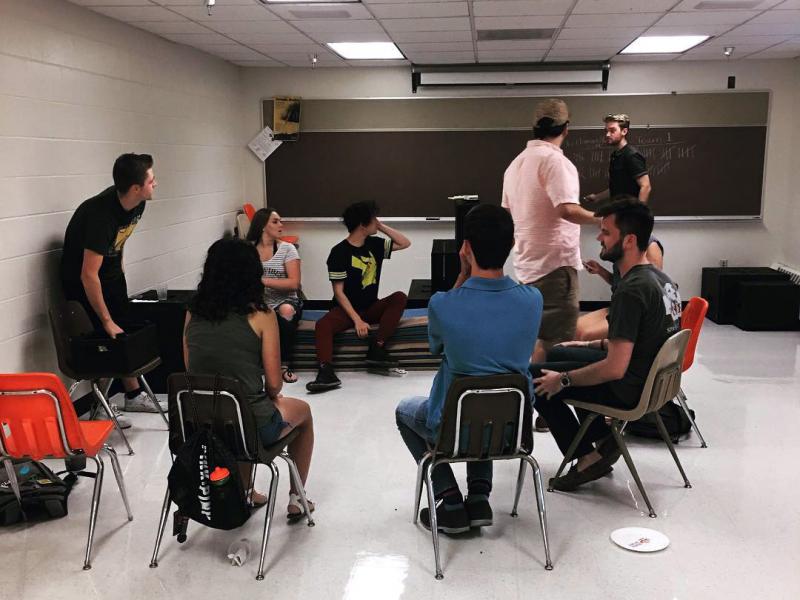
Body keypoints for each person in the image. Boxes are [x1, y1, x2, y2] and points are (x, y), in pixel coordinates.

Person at [395, 205, 542, 534]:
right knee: (488, 398)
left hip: (454, 429)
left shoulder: (443, 305)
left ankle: (450, 500)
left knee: (406, 411)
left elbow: (437, 348)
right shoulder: (533, 300)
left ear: (466, 249)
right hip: (511, 431)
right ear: (512, 245)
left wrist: (462, 274)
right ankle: (479, 499)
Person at [531, 197, 682, 491]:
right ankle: (603, 440)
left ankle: (587, 457)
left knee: (537, 380)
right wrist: (589, 346)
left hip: (629, 389)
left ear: (629, 240)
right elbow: (642, 342)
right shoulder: (660, 279)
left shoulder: (631, 291)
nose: (599, 237)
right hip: (651, 382)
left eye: (606, 232)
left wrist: (562, 379)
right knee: (558, 351)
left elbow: (614, 369)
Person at [184, 238, 315, 516]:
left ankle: (245, 493)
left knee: (235, 412)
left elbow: (190, 370)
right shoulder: (262, 315)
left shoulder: (192, 312)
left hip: (200, 422)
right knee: (302, 414)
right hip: (247, 425)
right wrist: (270, 393)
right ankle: (296, 500)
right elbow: (274, 384)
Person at [501, 98, 598, 433]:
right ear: (566, 129)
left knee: (536, 343)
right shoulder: (556, 163)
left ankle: (525, 408)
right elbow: (567, 210)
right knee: (556, 347)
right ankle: (539, 409)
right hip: (555, 266)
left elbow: (509, 217)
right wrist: (605, 217)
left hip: (526, 265)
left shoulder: (514, 165)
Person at [60, 153, 163, 419]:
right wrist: (105, 320)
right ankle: (100, 406)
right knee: (105, 338)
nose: (156, 184)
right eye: (152, 180)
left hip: (111, 274)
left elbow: (121, 239)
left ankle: (133, 395)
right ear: (136, 188)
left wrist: (120, 269)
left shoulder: (138, 204)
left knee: (124, 333)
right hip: (83, 281)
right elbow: (88, 275)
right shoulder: (100, 216)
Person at [306, 201, 411, 393]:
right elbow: (339, 292)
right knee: (323, 325)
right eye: (374, 220)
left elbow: (405, 243)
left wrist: (379, 226)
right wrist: (357, 320)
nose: (377, 223)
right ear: (363, 225)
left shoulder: (375, 245)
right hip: (347, 309)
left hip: (371, 306)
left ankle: (377, 349)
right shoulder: (339, 252)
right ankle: (326, 372)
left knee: (399, 297)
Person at [246, 208, 302, 384]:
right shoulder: (249, 250)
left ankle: (284, 365)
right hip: (257, 301)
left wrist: (262, 281)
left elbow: (294, 283)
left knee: (286, 311)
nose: (281, 225)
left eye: (280, 221)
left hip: (284, 300)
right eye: (275, 221)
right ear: (263, 226)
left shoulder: (287, 249)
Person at [576, 231, 664, 341]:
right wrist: (600, 270)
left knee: (586, 336)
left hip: (634, 311)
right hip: (618, 306)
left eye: (606, 232)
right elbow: (619, 283)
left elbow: (651, 286)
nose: (599, 238)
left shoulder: (650, 246)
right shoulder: (621, 253)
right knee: (576, 330)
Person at [585, 113, 652, 204]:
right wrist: (597, 197)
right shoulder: (615, 156)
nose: (608, 134)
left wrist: (638, 213)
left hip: (630, 214)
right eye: (606, 131)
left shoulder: (631, 155)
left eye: (612, 130)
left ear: (624, 131)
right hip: (618, 211)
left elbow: (646, 186)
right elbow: (617, 187)